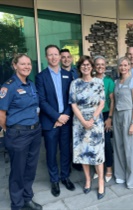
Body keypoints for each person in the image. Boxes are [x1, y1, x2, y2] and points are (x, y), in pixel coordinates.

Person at [0, 54, 42, 210]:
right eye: (23, 64)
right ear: (15, 65)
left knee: (30, 168)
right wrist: (10, 130)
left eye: (29, 64)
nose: (27, 66)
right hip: (18, 135)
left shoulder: (30, 84)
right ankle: (17, 205)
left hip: (35, 131)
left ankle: (27, 199)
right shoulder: (8, 86)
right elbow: (1, 114)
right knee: (18, 171)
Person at [35, 45, 75, 197]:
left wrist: (64, 117)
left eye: (56, 54)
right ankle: (54, 180)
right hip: (50, 122)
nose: (53, 57)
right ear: (46, 57)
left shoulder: (68, 74)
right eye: (50, 55)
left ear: (59, 56)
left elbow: (71, 98)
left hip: (65, 120)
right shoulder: (41, 76)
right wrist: (57, 117)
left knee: (65, 151)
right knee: (51, 153)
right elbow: (42, 100)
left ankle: (65, 177)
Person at [69, 55, 105, 199]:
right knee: (83, 153)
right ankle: (88, 180)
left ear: (92, 67)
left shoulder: (99, 82)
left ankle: (101, 181)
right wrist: (83, 121)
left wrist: (92, 119)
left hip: (95, 121)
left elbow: (102, 103)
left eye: (88, 65)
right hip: (79, 122)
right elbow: (73, 104)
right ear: (79, 67)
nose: (86, 67)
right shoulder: (75, 83)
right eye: (83, 65)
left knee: (97, 153)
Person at [113, 56, 133, 189]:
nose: (123, 67)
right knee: (118, 146)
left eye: (125, 65)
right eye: (120, 65)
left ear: (129, 66)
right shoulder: (117, 82)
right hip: (117, 116)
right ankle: (120, 174)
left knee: (130, 148)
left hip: (129, 115)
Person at [60, 48, 82, 172]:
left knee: (77, 138)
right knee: (66, 141)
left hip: (78, 112)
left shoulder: (76, 72)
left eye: (68, 57)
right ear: (60, 59)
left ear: (72, 58)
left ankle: (77, 161)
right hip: (66, 112)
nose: (66, 59)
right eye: (63, 57)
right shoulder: (58, 73)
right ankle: (66, 166)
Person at [94, 55, 114, 183]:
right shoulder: (90, 80)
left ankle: (109, 169)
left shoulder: (109, 81)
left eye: (102, 64)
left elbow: (112, 101)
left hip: (106, 114)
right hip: (93, 116)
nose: (100, 66)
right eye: (98, 64)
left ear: (105, 66)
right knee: (95, 143)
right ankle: (97, 170)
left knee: (106, 143)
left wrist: (110, 118)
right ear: (94, 66)